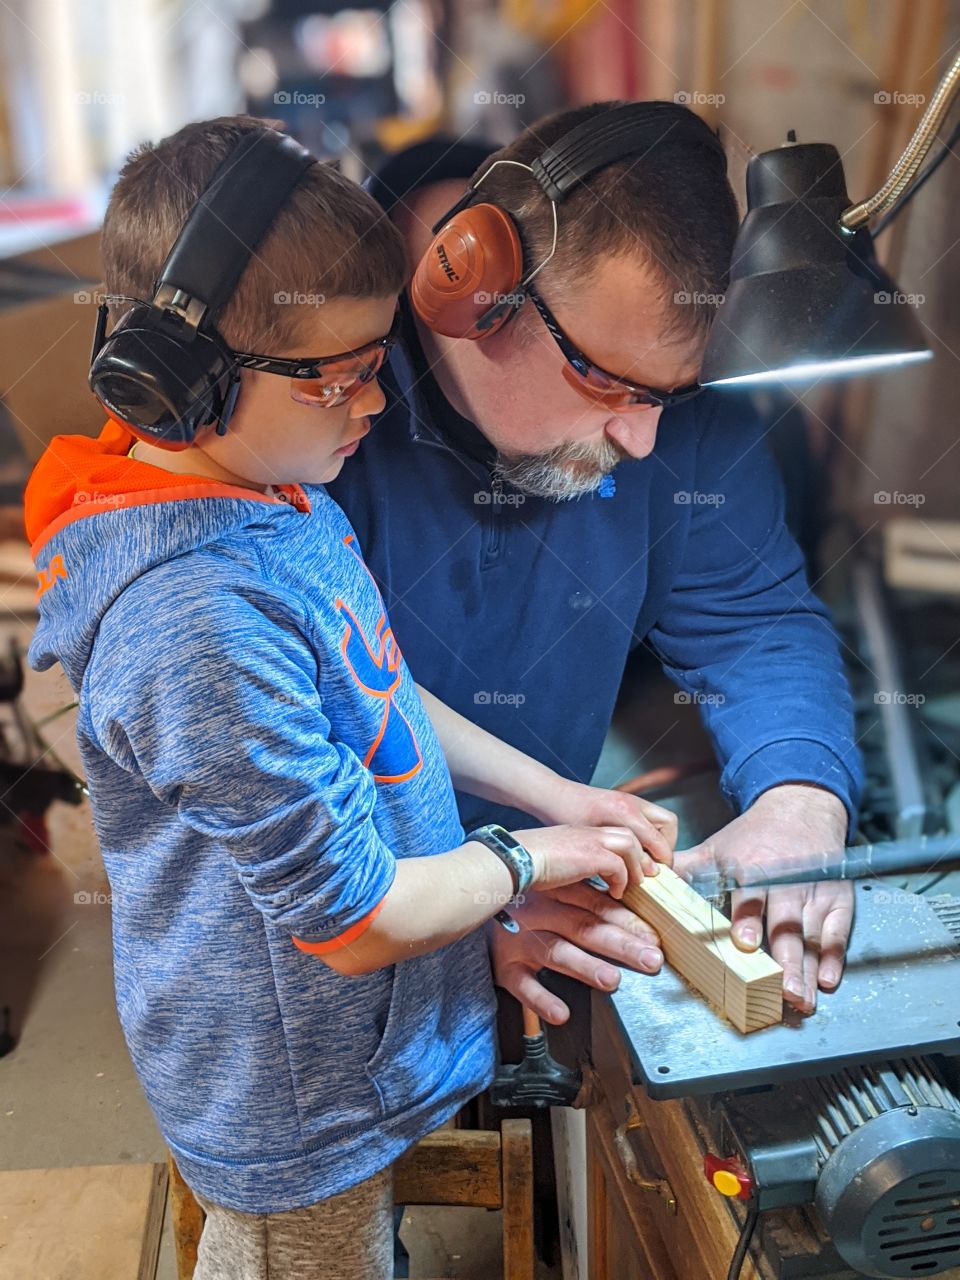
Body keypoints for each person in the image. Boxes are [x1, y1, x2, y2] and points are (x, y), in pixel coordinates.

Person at [24, 117, 676, 1279]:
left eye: (378, 361)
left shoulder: (272, 489)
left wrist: (555, 791)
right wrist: (535, 858)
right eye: (339, 376)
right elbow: (356, 919)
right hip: (294, 1103)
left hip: (352, 1057)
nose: (376, 404)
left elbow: (378, 687)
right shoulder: (197, 622)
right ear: (183, 381)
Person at [328, 99, 866, 1019]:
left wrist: (802, 796)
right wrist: (466, 902)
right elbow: (275, 739)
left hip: (545, 875)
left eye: (671, 394)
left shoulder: (674, 401)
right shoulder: (319, 405)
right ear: (478, 292)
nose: (645, 437)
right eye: (608, 381)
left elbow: (752, 621)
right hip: (341, 958)